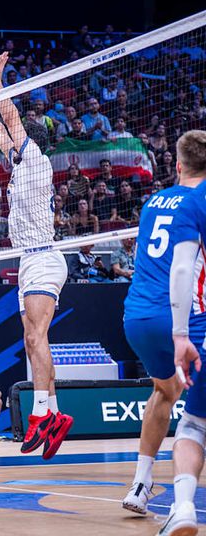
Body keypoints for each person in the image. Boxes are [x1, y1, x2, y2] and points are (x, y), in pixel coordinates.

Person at [0, 54, 71, 458]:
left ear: (27, 143)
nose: (9, 144)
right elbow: (0, 130)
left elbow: (11, 121)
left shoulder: (35, 159)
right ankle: (55, 414)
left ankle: (40, 415)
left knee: (36, 338)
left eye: (16, 140)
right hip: (29, 260)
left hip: (44, 257)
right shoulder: (21, 164)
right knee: (33, 342)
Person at [122, 130, 206, 519]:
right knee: (195, 419)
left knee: (165, 390)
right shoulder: (199, 202)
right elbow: (185, 266)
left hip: (137, 316)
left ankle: (140, 484)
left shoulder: (153, 201)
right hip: (182, 316)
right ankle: (182, 499)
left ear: (177, 164)